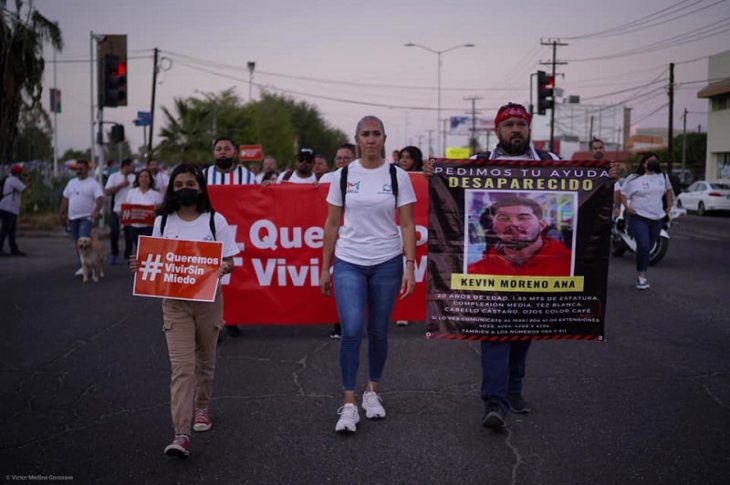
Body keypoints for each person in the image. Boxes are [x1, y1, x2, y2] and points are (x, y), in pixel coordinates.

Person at [423, 103, 564, 430]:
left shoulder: (550, 163)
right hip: (494, 272)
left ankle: (514, 389)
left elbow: (589, 187)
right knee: (495, 331)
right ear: (497, 131)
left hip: (536, 272)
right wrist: (434, 175)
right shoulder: (478, 163)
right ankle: (495, 401)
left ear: (529, 128)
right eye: (508, 125)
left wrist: (606, 174)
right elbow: (449, 195)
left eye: (521, 124)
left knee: (523, 332)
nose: (515, 129)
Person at [129, 163, 238, 459]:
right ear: (171, 190)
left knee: (205, 361)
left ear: (200, 186)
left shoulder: (216, 221)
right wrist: (141, 265)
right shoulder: (163, 223)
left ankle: (202, 407)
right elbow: (154, 260)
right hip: (174, 304)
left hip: (208, 302)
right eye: (178, 185)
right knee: (182, 368)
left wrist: (224, 266)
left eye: (190, 183)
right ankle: (181, 433)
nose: (184, 188)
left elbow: (230, 260)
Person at [321, 115, 417, 433]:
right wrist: (325, 266)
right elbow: (332, 224)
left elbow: (406, 224)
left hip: (387, 261)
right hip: (349, 260)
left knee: (378, 329)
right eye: (366, 134)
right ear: (357, 138)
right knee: (351, 328)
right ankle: (348, 404)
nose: (372, 139)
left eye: (377, 134)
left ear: (384, 138)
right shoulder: (343, 175)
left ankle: (372, 392)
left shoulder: (398, 175)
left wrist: (410, 265)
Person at [204, 136, 256, 337]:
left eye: (227, 148)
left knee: (235, 277)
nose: (223, 151)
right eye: (219, 148)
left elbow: (260, 199)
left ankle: (232, 319)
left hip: (239, 233)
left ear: (234, 152)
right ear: (213, 153)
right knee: (211, 277)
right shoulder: (204, 175)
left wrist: (268, 186)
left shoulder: (247, 175)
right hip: (210, 233)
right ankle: (212, 321)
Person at [468, 196, 572, 276]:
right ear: (494, 227)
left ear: (542, 225)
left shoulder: (570, 264)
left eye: (523, 218)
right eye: (503, 218)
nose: (513, 224)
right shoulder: (475, 271)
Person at [317, 143, 357, 339]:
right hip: (328, 235)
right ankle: (339, 324)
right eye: (338, 158)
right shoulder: (328, 178)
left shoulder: (363, 177)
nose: (341, 161)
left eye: (346, 158)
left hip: (355, 239)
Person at [620, 152, 673, 290]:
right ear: (644, 164)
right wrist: (626, 207)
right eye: (650, 161)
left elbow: (668, 191)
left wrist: (669, 205)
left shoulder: (663, 176)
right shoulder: (634, 178)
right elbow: (623, 193)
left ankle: (641, 270)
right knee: (643, 245)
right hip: (638, 217)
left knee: (648, 247)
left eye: (656, 160)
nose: (653, 163)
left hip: (657, 218)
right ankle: (641, 276)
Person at [394, 146, 424, 326]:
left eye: (408, 157)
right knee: (400, 268)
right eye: (402, 157)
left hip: (420, 228)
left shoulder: (423, 178)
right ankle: (401, 310)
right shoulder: (393, 176)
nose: (404, 160)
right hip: (399, 226)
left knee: (418, 270)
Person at [59, 160, 104, 275]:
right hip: (73, 217)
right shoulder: (72, 182)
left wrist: (96, 211)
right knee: (77, 242)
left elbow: (99, 199)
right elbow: (65, 198)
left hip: (87, 217)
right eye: (77, 169)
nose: (78, 171)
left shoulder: (92, 183)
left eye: (81, 168)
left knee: (83, 239)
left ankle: (87, 265)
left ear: (87, 169)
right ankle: (84, 264)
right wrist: (61, 213)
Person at [104, 158, 136, 265]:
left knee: (129, 233)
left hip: (130, 208)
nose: (133, 168)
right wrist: (121, 185)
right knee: (114, 231)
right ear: (125, 166)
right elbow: (107, 191)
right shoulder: (114, 176)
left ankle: (128, 255)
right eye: (132, 166)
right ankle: (114, 252)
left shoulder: (134, 178)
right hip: (117, 208)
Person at [124, 168, 163, 253]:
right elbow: (127, 208)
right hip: (134, 226)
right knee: (138, 248)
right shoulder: (132, 192)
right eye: (141, 176)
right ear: (138, 179)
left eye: (146, 177)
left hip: (149, 227)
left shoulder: (156, 194)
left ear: (150, 180)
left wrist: (156, 210)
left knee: (147, 250)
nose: (143, 179)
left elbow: (160, 210)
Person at [0, 164, 28, 256]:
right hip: (9, 208)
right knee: (6, 230)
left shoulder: (10, 179)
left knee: (11, 230)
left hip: (8, 208)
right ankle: (4, 249)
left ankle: (14, 249)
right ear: (18, 173)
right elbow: (24, 189)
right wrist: (27, 182)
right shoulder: (13, 180)